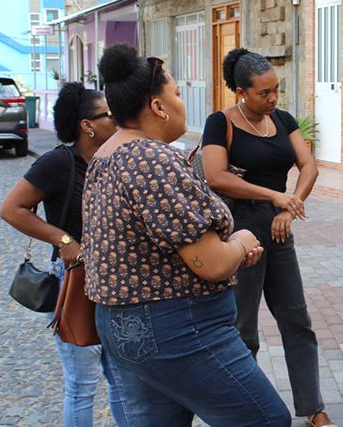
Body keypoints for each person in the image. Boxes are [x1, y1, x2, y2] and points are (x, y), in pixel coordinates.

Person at [83, 43, 291, 427]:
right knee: (267, 419)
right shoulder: (152, 159)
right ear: (158, 106)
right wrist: (242, 241)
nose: (181, 102)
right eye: (176, 94)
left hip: (123, 327)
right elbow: (209, 263)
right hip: (176, 328)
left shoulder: (105, 154)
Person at [200, 48, 335, 427]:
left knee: (296, 319)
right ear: (241, 92)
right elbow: (216, 176)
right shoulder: (220, 122)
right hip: (238, 231)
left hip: (278, 229)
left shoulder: (284, 119)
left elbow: (308, 166)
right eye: (264, 93)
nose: (273, 99)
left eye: (276, 90)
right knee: (243, 327)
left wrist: (287, 209)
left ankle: (313, 408)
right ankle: (247, 411)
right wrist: (274, 195)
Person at [0, 82, 127, 426]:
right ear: (87, 125)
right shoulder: (59, 161)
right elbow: (12, 209)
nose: (116, 120)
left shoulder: (114, 159)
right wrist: (63, 239)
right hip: (76, 280)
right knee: (82, 384)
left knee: (122, 380)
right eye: (108, 115)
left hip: (117, 283)